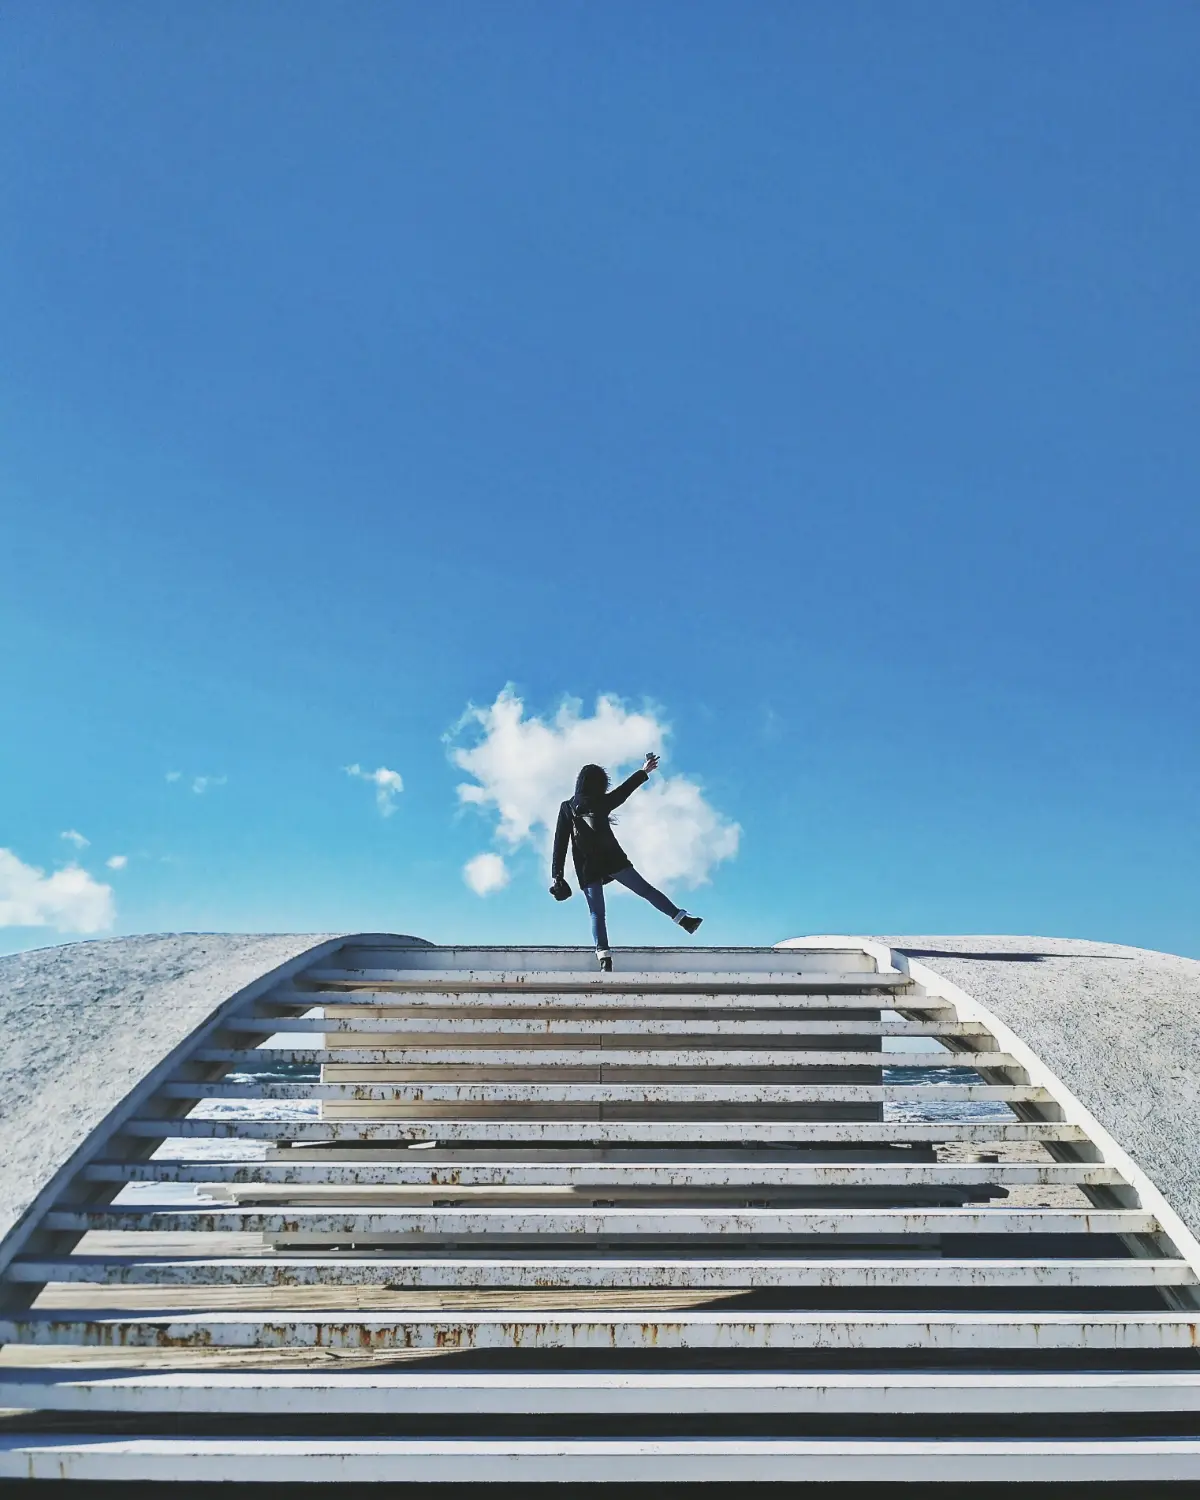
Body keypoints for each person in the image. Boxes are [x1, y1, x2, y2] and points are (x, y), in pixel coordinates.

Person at [550, 752, 702, 970]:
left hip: (587, 865)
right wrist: (644, 771)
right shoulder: (602, 801)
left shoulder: (567, 807)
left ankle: (604, 958)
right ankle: (682, 919)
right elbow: (624, 791)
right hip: (612, 858)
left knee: (597, 912)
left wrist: (557, 875)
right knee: (646, 891)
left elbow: (560, 843)